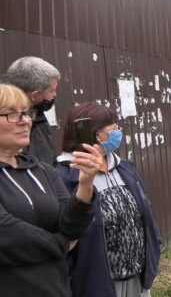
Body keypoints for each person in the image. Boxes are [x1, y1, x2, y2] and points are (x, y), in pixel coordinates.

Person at [0, 83, 99, 296]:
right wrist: (62, 244)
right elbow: (7, 235)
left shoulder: (42, 170)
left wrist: (85, 184)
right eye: (12, 115)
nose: (26, 121)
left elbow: (72, 225)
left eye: (26, 113)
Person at [55, 102, 161, 297]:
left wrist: (154, 247)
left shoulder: (123, 167)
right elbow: (67, 230)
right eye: (114, 129)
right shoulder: (63, 176)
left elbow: (144, 211)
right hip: (98, 283)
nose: (118, 133)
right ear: (97, 135)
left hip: (137, 277)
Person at [6, 56, 60, 165]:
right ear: (34, 96)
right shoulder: (9, 124)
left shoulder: (39, 116)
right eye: (51, 91)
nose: (55, 95)